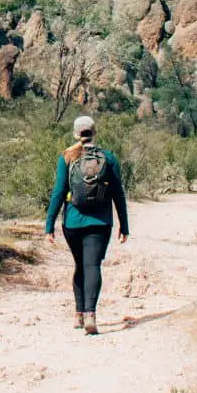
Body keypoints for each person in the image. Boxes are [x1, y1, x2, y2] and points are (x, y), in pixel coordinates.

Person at [44, 115, 128, 335]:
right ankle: (90, 313)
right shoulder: (108, 158)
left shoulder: (67, 157)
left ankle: (78, 314)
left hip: (72, 222)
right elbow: (118, 194)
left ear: (75, 134)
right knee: (92, 266)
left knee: (80, 266)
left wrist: (49, 224)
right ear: (95, 132)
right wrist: (124, 225)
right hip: (100, 223)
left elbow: (59, 192)